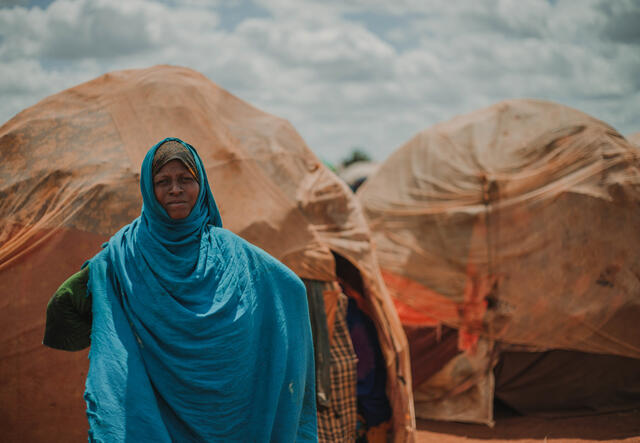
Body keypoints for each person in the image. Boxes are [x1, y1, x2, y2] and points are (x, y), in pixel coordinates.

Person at [43, 137, 318, 442]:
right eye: (163, 181)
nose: (175, 189)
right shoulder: (125, 254)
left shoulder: (231, 251)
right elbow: (64, 306)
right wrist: (111, 332)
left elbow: (291, 288)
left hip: (230, 410)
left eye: (186, 179)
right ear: (149, 188)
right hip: (157, 407)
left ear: (201, 185)